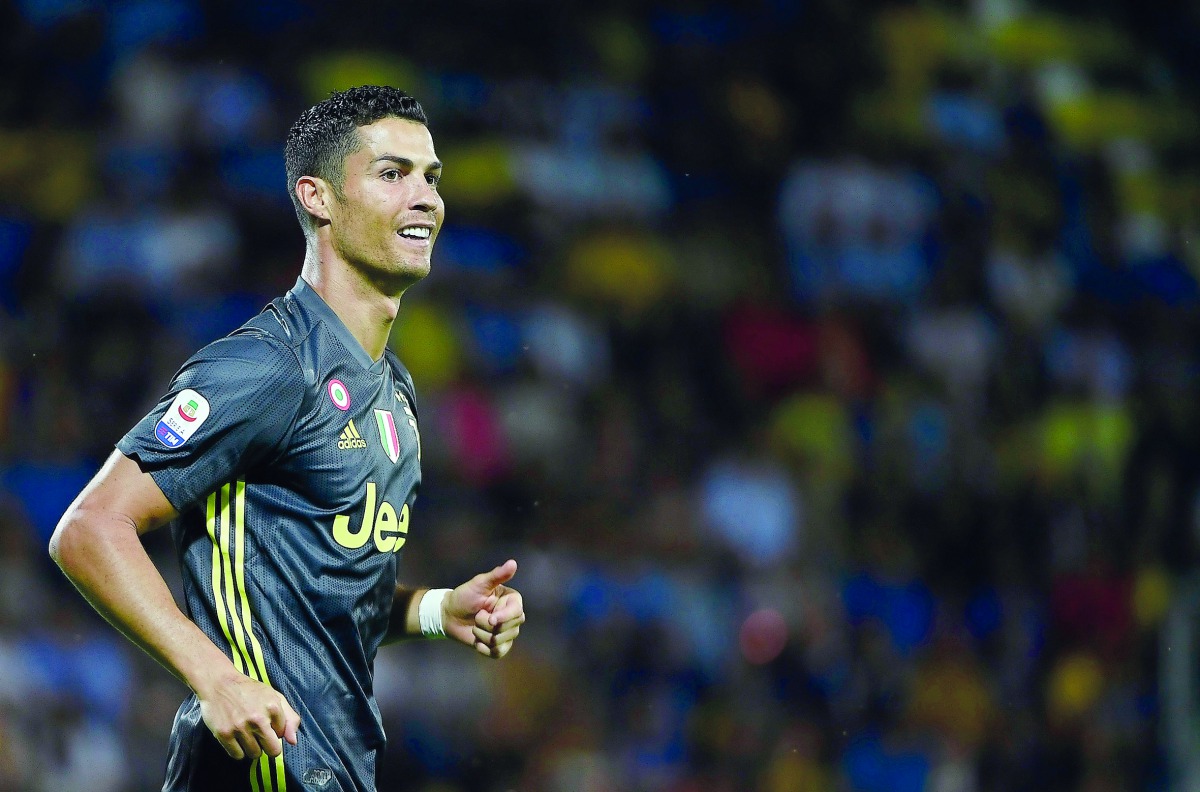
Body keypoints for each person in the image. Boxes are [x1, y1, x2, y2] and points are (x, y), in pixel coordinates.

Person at [48, 85, 526, 792]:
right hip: (258, 772)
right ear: (318, 197)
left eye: (432, 177)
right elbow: (89, 528)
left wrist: (433, 610)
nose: (425, 196)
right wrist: (215, 678)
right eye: (392, 174)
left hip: (340, 771)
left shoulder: (394, 391)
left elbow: (326, 598)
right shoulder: (268, 364)